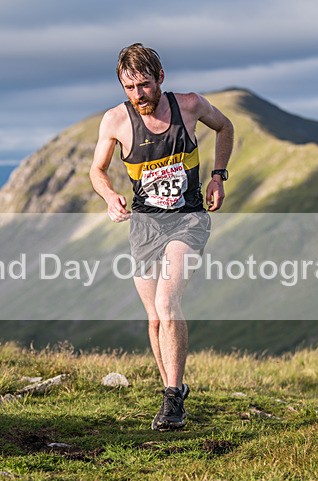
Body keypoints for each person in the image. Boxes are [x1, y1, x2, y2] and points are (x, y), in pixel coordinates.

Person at [89, 43, 234, 431]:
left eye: (145, 85)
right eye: (130, 87)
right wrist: (109, 196)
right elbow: (97, 170)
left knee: (168, 304)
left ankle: (172, 399)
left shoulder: (188, 105)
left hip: (187, 220)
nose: (139, 95)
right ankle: (173, 388)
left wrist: (218, 175)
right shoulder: (115, 121)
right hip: (144, 225)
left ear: (160, 79)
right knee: (154, 317)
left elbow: (225, 127)